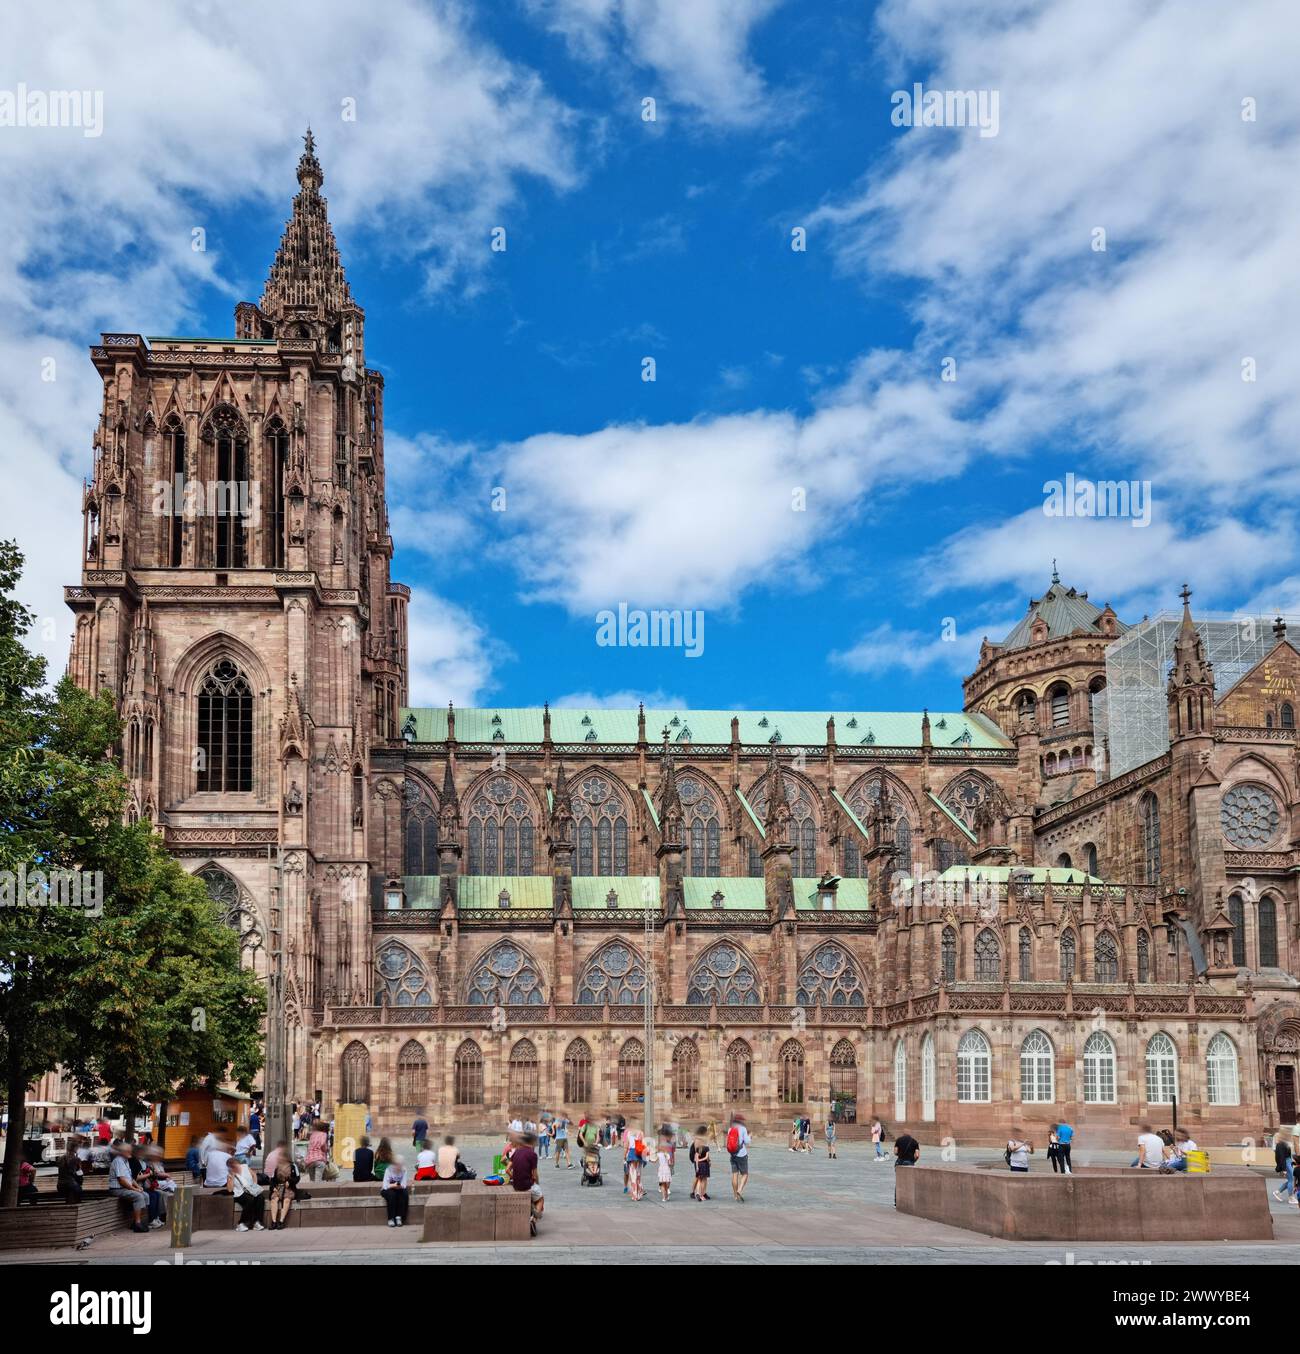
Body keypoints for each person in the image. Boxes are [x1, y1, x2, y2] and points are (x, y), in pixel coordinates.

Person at [109, 1141, 162, 1231]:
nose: (130, 1152)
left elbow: (131, 1178)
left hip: (125, 1188)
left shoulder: (125, 1161)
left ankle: (138, 1221)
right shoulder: (118, 1161)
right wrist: (135, 1189)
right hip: (117, 1189)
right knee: (139, 1196)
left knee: (145, 1195)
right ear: (123, 1152)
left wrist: (138, 1187)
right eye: (128, 1151)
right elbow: (122, 1180)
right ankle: (137, 1223)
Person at [230, 1156, 266, 1231]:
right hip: (239, 1193)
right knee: (250, 1200)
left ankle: (257, 1222)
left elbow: (254, 1175)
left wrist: (254, 1185)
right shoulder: (230, 1174)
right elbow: (230, 1189)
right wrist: (232, 1176)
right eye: (233, 1165)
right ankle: (241, 1223)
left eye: (236, 1164)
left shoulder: (245, 1167)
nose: (236, 1166)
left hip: (250, 1191)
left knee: (260, 1197)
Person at [266, 1154, 298, 1230]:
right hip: (278, 1187)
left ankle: (281, 1221)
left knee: (287, 1199)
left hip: (289, 1188)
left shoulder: (293, 1166)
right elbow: (272, 1180)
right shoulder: (276, 1166)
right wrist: (273, 1187)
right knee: (274, 1199)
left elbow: (297, 1178)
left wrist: (290, 1182)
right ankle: (273, 1222)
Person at [727, 1113, 750, 1202]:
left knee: (734, 1174)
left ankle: (735, 1196)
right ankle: (739, 1190)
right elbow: (747, 1141)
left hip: (732, 1154)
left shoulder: (730, 1129)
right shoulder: (743, 1129)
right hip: (742, 1154)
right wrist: (750, 1136)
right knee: (745, 1174)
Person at [382, 1156, 410, 1227]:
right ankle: (391, 1218)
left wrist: (399, 1186)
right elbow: (385, 1186)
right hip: (388, 1189)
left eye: (400, 1165)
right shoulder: (388, 1170)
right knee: (392, 1195)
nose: (398, 1166)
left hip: (399, 1188)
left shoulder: (404, 1170)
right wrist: (393, 1185)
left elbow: (404, 1185)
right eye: (397, 1164)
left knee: (404, 1194)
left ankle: (399, 1217)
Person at [57, 1137, 85, 1204]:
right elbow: (79, 1174)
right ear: (75, 1148)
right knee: (79, 1192)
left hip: (60, 1185)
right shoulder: (76, 1159)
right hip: (71, 1185)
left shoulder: (60, 1158)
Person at [1273, 1131, 1295, 1202]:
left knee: (1290, 1180)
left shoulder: (1283, 1144)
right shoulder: (1280, 1145)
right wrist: (1284, 1169)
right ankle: (1291, 1198)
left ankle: (1278, 1192)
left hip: (1288, 1162)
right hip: (1286, 1163)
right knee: (1291, 1180)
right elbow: (1281, 1157)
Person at [690, 1126, 711, 1201]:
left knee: (700, 1177)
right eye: (706, 1131)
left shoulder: (701, 1139)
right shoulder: (698, 1139)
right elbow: (697, 1151)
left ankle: (701, 1193)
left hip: (700, 1160)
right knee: (699, 1177)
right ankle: (697, 1193)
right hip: (698, 1160)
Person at [626, 1127, 646, 1202]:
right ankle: (639, 1193)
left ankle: (634, 1195)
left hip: (631, 1154)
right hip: (639, 1153)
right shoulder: (640, 1132)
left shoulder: (629, 1133)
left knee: (633, 1175)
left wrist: (624, 1156)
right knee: (638, 1175)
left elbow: (627, 1146)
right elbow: (644, 1144)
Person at [656, 1127, 674, 1201]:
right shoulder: (667, 1153)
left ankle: (664, 1197)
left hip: (661, 1169)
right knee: (666, 1183)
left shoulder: (659, 1153)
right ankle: (666, 1195)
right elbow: (670, 1161)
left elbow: (654, 1160)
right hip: (667, 1168)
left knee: (663, 1183)